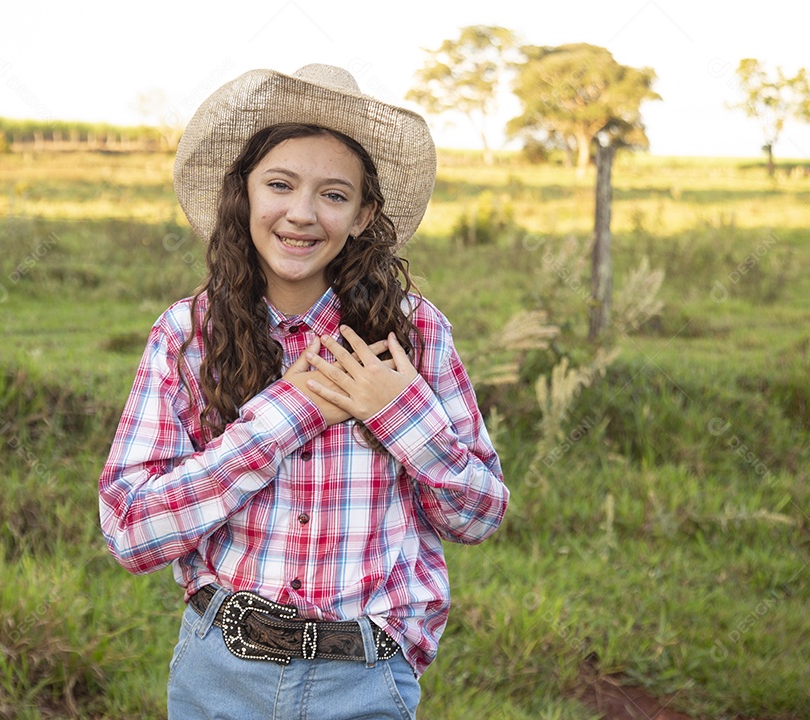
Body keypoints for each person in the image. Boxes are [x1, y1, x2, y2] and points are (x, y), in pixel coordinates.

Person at [98, 63, 508, 719]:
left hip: (366, 680)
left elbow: (479, 515)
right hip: (220, 678)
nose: (301, 213)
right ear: (245, 193)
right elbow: (130, 532)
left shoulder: (414, 332)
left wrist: (399, 413)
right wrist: (288, 413)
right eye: (280, 184)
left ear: (363, 214)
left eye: (334, 194)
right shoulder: (188, 335)